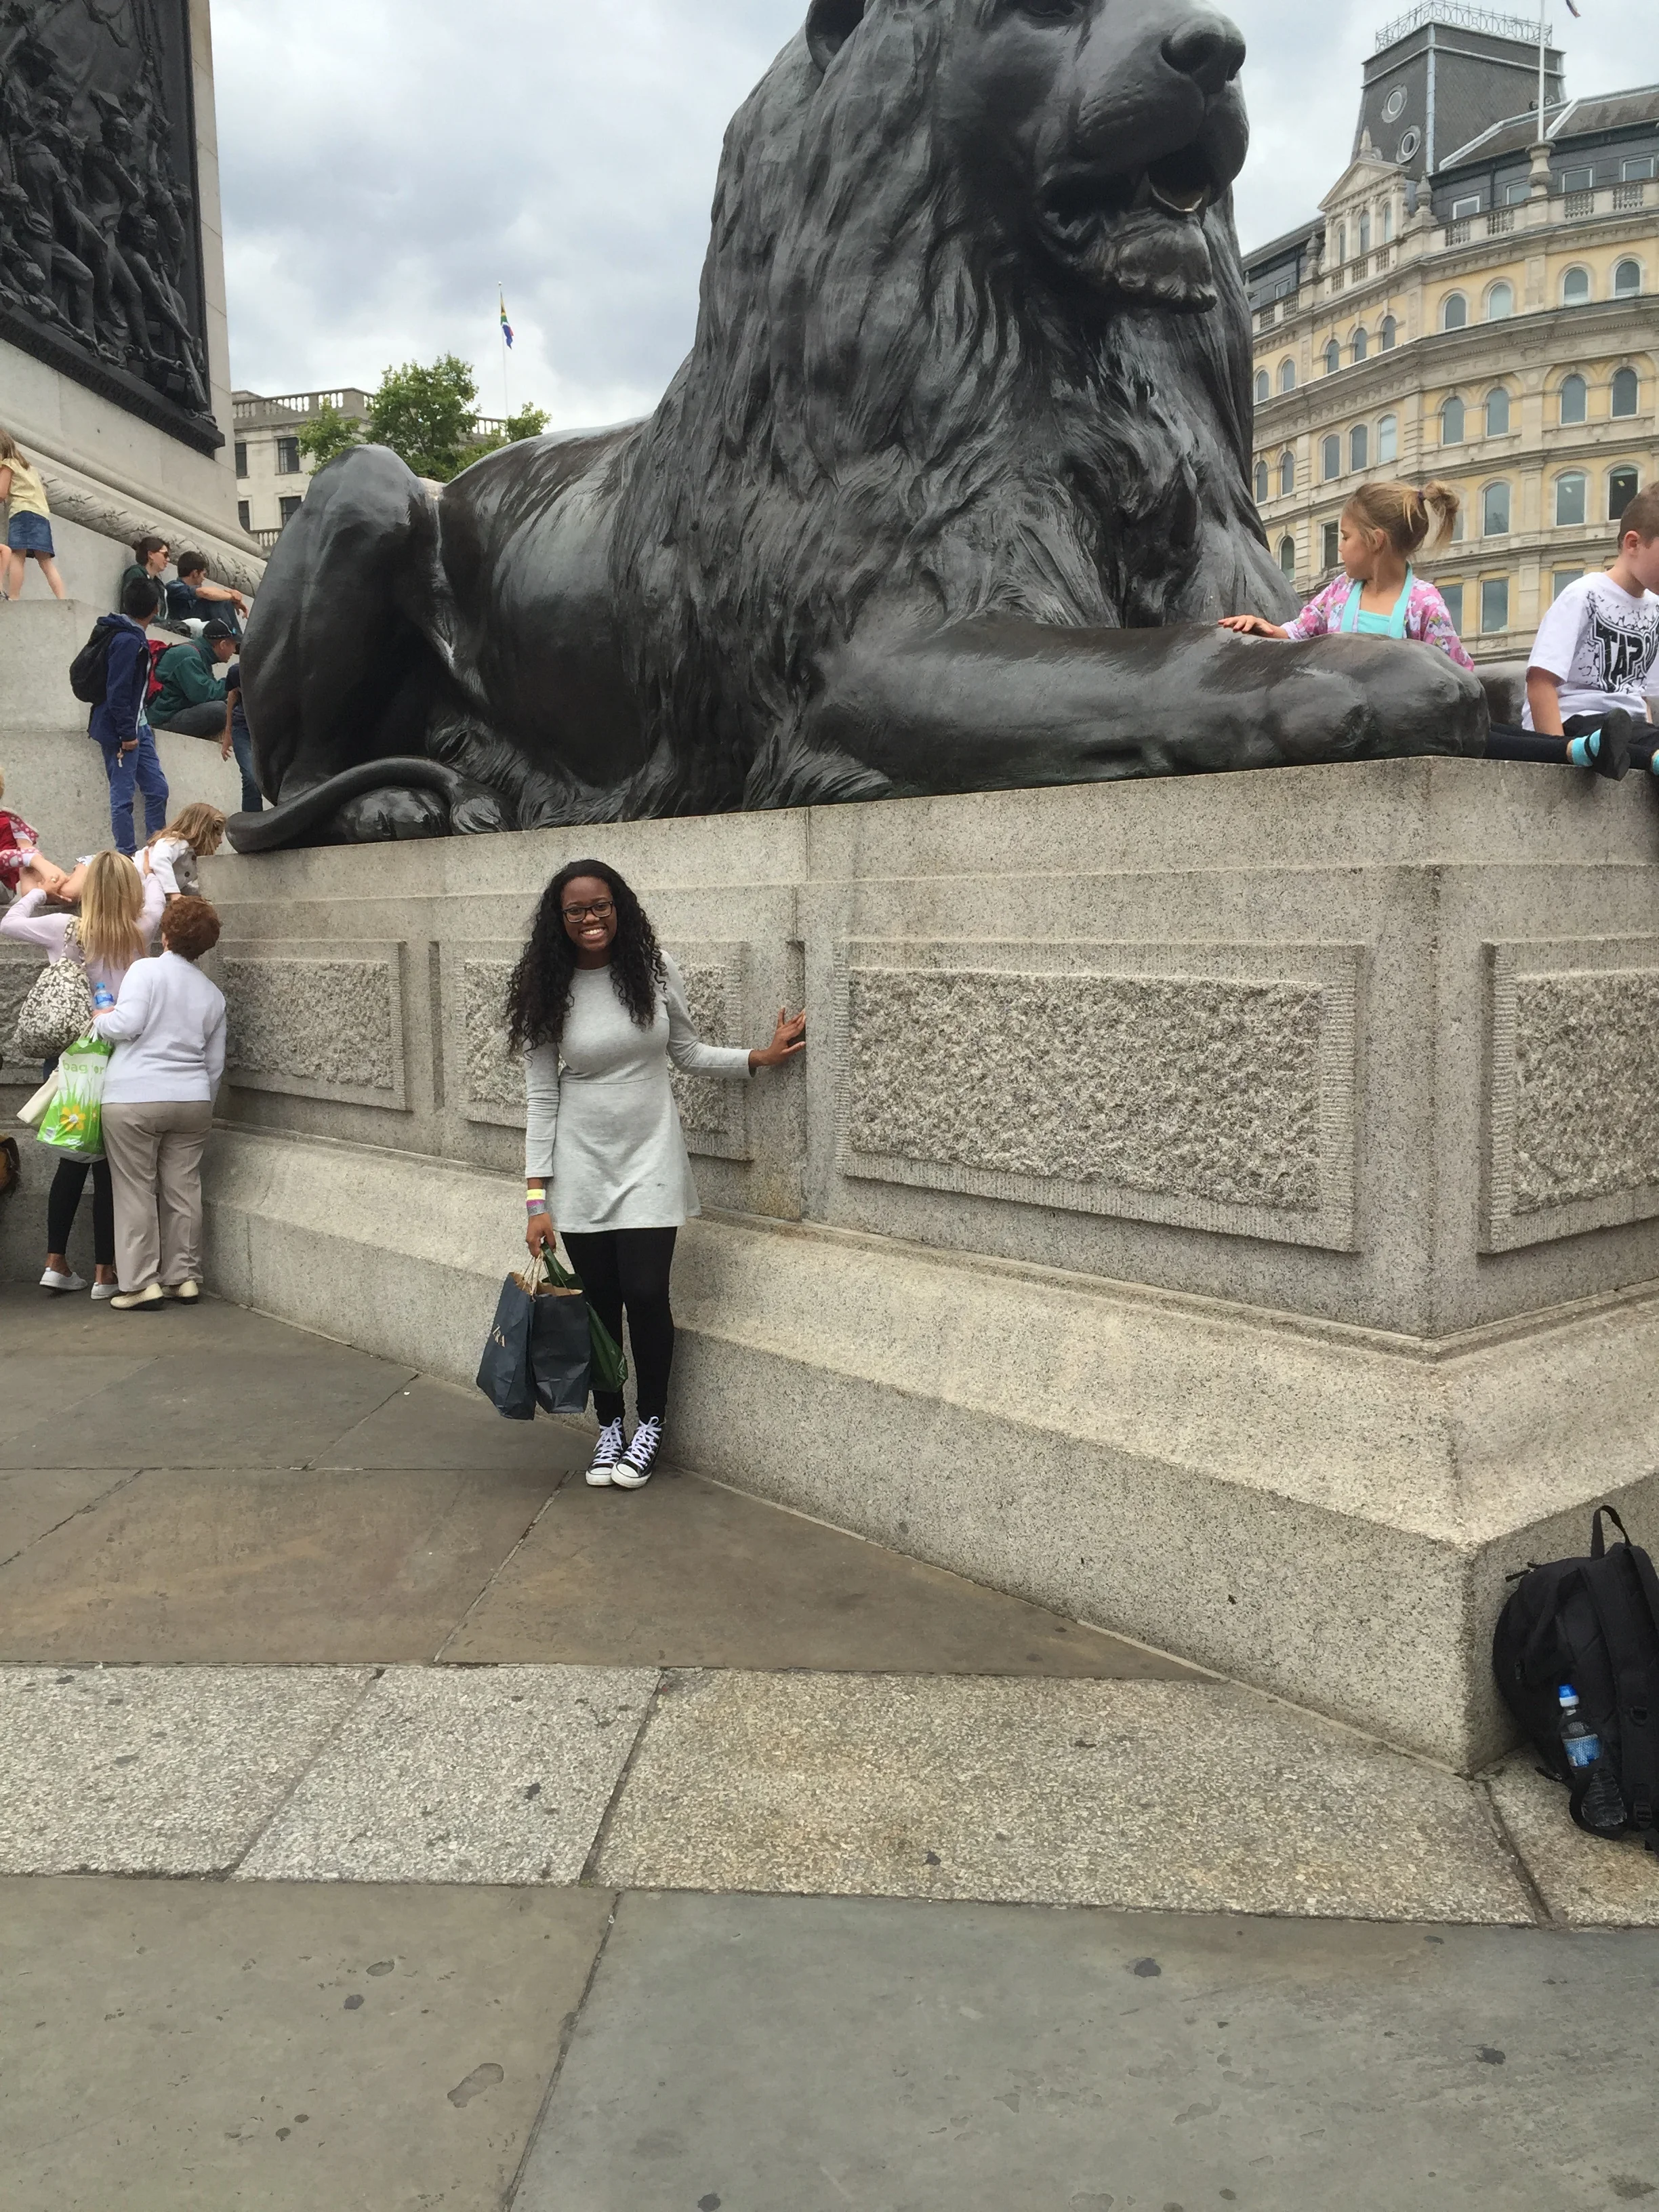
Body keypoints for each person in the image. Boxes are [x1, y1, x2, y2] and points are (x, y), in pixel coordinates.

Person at [508, 861, 805, 1490]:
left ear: (620, 906)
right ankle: (609, 1425)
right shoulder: (544, 985)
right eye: (576, 911)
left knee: (645, 1293)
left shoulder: (652, 967)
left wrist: (761, 1056)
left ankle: (651, 1423)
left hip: (651, 1159)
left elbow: (688, 1051)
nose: (591, 919)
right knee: (599, 1304)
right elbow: (540, 1096)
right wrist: (537, 1197)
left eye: (601, 905)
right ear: (558, 921)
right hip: (580, 1164)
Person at [1, 849, 163, 1298]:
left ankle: (56, 1261)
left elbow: (7, 924)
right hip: (121, 1057)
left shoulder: (64, 929)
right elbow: (157, 901)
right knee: (112, 1165)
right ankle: (104, 1272)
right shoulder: (140, 932)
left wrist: (37, 894)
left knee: (73, 1159)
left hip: (70, 1060)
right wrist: (147, 868)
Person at [95, 895, 227, 1313]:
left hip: (133, 1097)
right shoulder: (212, 994)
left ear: (165, 933)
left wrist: (102, 1019)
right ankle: (183, 1276)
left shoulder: (145, 970)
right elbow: (215, 1065)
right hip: (192, 1099)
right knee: (183, 1188)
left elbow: (127, 1023)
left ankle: (139, 1283)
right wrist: (199, 1097)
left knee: (135, 1190)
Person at [1484, 488, 1659, 781]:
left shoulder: (1655, 609)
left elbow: (1640, 695)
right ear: (1633, 543)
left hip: (1633, 730)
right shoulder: (1584, 595)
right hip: (1576, 720)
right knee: (1616, 735)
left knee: (1636, 737)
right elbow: (1541, 681)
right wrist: (1558, 751)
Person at [1221, 481, 1473, 665]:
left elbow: (1456, 674)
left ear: (1375, 541)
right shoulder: (1339, 591)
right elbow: (1299, 634)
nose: (1340, 547)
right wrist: (1266, 629)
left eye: (1345, 537)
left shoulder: (1424, 604)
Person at [89, 576, 170, 855]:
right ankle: (126, 857)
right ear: (156, 608)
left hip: (139, 726)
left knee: (158, 790)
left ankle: (155, 852)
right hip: (124, 731)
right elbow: (118, 691)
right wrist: (127, 733)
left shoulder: (130, 635)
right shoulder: (126, 640)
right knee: (122, 798)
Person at [0, 427, 68, 602]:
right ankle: (62, 599)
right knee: (45, 561)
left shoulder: (8, 465)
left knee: (17, 555)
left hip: (22, 512)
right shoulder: (28, 467)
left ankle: (14, 597)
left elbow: (1, 492)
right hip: (41, 514)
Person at [150, 619, 236, 737]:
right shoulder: (189, 657)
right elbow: (205, 696)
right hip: (163, 720)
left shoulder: (199, 655)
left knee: (231, 709)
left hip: (174, 713)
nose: (235, 651)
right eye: (233, 645)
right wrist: (234, 682)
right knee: (220, 710)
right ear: (223, 645)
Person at [138, 803, 226, 901]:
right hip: (134, 882)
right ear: (203, 832)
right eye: (218, 834)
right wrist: (174, 894)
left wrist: (197, 894)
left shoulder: (192, 854)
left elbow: (176, 881)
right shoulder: (174, 841)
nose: (221, 841)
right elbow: (160, 861)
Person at [164, 550, 248, 636]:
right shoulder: (174, 586)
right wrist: (231, 596)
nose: (204, 579)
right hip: (182, 626)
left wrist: (231, 598)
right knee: (215, 601)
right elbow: (205, 593)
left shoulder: (199, 590)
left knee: (224, 600)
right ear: (195, 573)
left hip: (198, 621)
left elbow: (209, 593)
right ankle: (232, 636)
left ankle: (239, 640)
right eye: (203, 575)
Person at [220, 650, 262, 814]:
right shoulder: (236, 672)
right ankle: (253, 823)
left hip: (268, 729)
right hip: (243, 728)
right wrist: (228, 732)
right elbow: (233, 695)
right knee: (251, 778)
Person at [117, 533, 171, 617]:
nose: (168, 559)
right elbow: (134, 609)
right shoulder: (135, 573)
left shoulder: (159, 585)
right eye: (165, 555)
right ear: (151, 554)